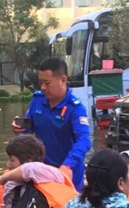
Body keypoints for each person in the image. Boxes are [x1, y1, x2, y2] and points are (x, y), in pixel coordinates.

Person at [12, 57, 92, 191]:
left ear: (63, 80)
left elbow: (84, 140)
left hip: (66, 174)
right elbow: (29, 129)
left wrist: (67, 165)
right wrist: (19, 129)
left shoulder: (75, 109)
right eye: (40, 82)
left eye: (47, 83)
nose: (43, 87)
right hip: (42, 174)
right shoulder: (38, 100)